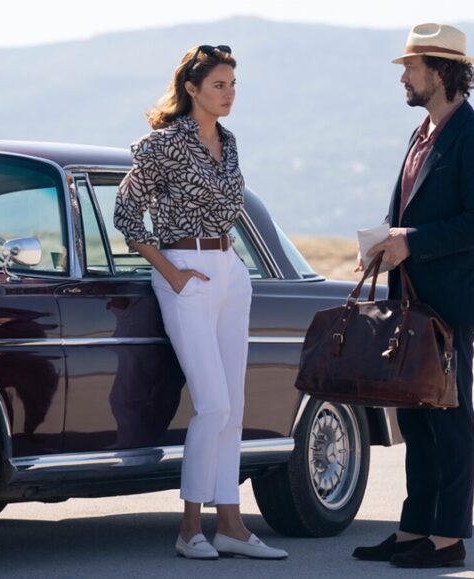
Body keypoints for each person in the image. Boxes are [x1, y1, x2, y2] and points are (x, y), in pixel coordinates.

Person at [114, 44, 288, 561]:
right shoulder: (161, 146)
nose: (228, 94)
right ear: (192, 89)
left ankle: (230, 525)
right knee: (212, 404)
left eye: (233, 85)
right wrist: (171, 271)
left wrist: (228, 270)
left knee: (232, 406)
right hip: (184, 273)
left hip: (231, 272)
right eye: (219, 85)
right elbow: (127, 216)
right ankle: (190, 527)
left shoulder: (229, 143)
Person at [351, 23, 474, 568]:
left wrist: (410, 241)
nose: (404, 78)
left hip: (449, 304)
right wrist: (384, 245)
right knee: (415, 417)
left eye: (411, 69)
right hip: (410, 298)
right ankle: (415, 528)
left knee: (450, 416)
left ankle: (449, 538)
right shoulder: (422, 133)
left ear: (441, 71)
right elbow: (411, 215)